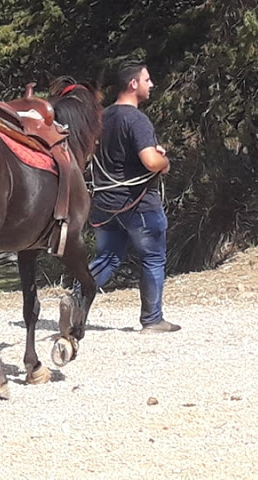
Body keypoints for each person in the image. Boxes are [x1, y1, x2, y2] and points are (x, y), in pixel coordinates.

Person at [85, 60, 180, 334]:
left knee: (107, 258)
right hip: (139, 204)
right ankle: (152, 320)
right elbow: (150, 162)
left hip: (104, 203)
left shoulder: (101, 118)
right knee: (152, 258)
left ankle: (75, 303)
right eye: (147, 80)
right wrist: (164, 161)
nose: (152, 85)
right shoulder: (136, 119)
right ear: (133, 84)